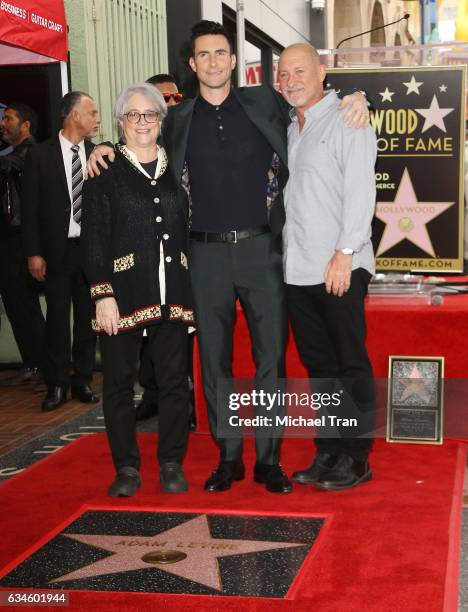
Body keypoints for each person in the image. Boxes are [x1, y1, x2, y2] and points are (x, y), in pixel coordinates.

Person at [88, 20, 369, 494]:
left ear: (234, 60)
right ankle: (229, 457)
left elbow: (316, 99)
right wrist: (101, 149)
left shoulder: (266, 102)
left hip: (265, 250)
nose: (214, 62)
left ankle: (268, 459)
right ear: (192, 64)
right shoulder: (176, 119)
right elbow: (138, 143)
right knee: (214, 361)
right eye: (204, 55)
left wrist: (358, 96)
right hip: (203, 254)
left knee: (269, 361)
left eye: (222, 53)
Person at [81, 83, 193, 497]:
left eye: (150, 115)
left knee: (173, 382)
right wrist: (102, 293)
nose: (142, 122)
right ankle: (126, 466)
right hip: (121, 294)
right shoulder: (103, 169)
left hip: (174, 292)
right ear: (120, 120)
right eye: (133, 115)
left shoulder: (179, 164)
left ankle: (171, 462)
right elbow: (93, 237)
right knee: (118, 384)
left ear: (161, 120)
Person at [278, 43, 377, 491]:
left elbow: (361, 191)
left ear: (323, 72)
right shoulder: (292, 127)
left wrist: (345, 252)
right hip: (298, 268)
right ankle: (330, 449)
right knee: (320, 365)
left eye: (300, 71)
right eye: (284, 74)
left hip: (339, 265)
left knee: (349, 361)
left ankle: (356, 457)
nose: (291, 80)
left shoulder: (347, 118)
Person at [21, 92, 100, 412]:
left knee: (87, 318)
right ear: (73, 116)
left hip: (90, 250)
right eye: (92, 112)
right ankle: (56, 384)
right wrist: (33, 252)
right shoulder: (39, 155)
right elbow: (30, 209)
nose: (97, 118)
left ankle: (82, 379)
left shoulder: (98, 154)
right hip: (55, 251)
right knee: (56, 319)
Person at [136, 73, 185, 422]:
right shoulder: (132, 148)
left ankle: (187, 398)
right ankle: (150, 394)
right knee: (147, 335)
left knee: (183, 333)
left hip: (185, 252)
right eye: (160, 100)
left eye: (174, 98)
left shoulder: (191, 137)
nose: (168, 105)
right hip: (145, 260)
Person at [0, 103, 45, 385]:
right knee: (17, 304)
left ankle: (41, 363)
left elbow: (10, 166)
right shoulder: (15, 154)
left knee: (23, 303)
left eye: (8, 118)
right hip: (9, 239)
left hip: (19, 240)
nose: (3, 123)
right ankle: (34, 362)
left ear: (25, 125)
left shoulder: (30, 152)